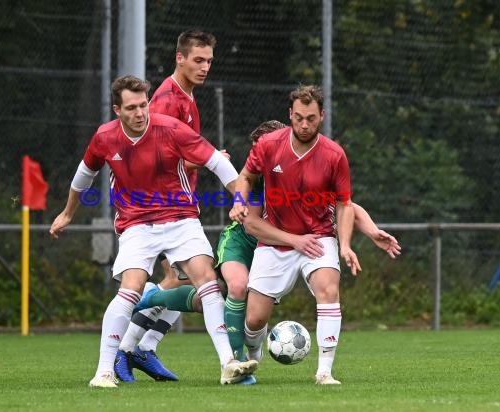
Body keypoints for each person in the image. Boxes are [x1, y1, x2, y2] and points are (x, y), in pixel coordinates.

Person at [134, 120, 401, 384]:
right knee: (234, 288)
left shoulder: (306, 166)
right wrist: (292, 237)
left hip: (278, 244)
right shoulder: (255, 178)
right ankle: (235, 363)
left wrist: (372, 231)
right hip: (247, 241)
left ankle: (159, 297)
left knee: (217, 303)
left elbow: (347, 204)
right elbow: (251, 225)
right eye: (258, 148)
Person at [49, 75, 257, 388]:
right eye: (131, 107)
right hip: (136, 224)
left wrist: (239, 200)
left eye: (143, 105)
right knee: (131, 288)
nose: (140, 113)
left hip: (180, 218)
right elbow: (83, 176)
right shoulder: (105, 137)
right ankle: (104, 372)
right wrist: (67, 213)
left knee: (208, 281)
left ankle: (228, 363)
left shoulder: (170, 129)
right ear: (117, 109)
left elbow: (217, 162)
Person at [98, 29, 219, 383]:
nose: (205, 67)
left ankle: (141, 347)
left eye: (209, 60)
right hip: (157, 211)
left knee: (181, 281)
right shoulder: (166, 100)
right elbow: (153, 161)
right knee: (176, 282)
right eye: (198, 60)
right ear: (179, 58)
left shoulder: (186, 96)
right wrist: (212, 159)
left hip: (179, 207)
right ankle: (128, 348)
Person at [230, 84, 359, 385]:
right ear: (290, 114)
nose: (304, 124)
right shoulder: (268, 144)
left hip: (318, 238)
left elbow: (345, 203)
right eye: (298, 117)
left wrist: (346, 244)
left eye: (311, 118)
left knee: (329, 288)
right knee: (254, 319)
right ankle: (253, 354)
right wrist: (238, 201)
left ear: (322, 116)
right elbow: (246, 176)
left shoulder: (334, 154)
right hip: (275, 241)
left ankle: (324, 371)